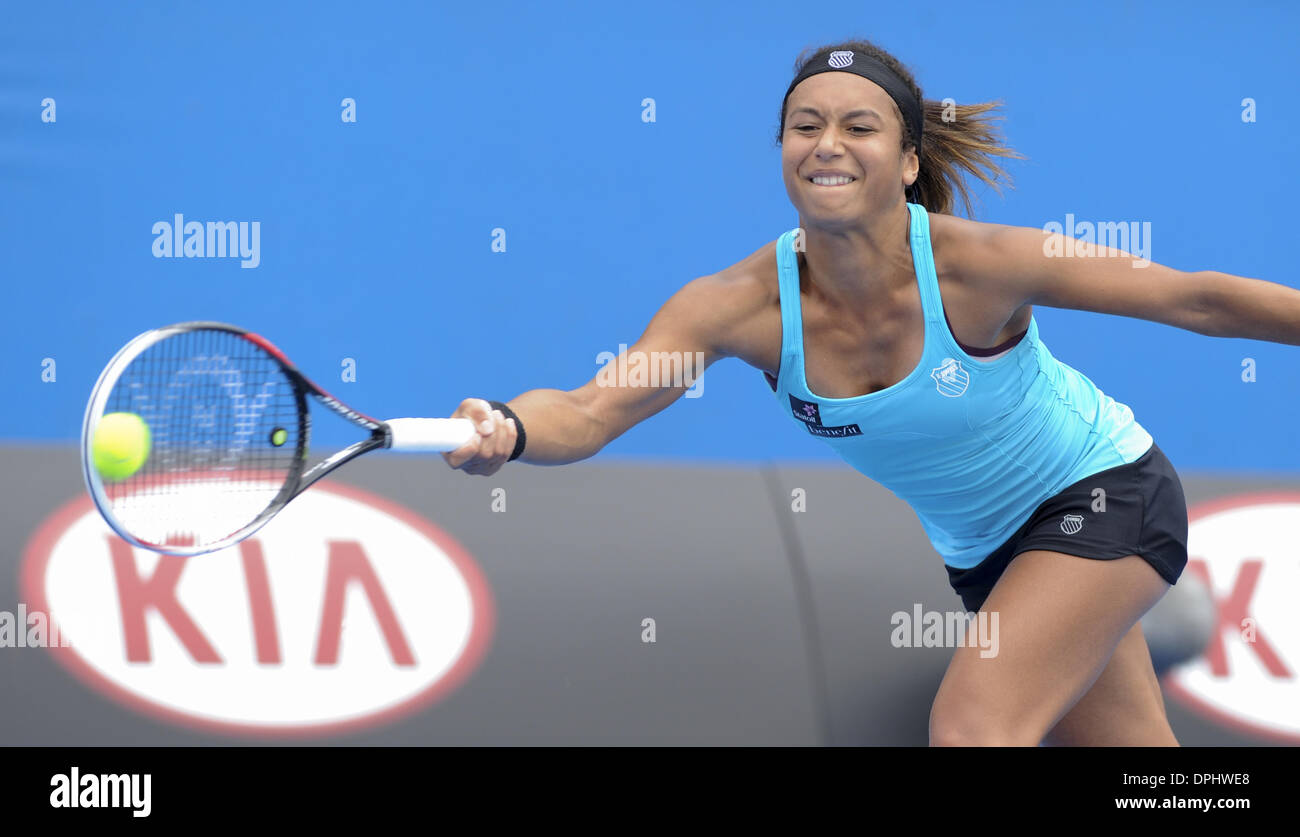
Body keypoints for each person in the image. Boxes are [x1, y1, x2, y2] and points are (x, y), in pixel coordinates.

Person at [441, 38, 1280, 746]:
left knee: (972, 726)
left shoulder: (980, 266)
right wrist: (508, 426)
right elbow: (590, 410)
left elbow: (1194, 296)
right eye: (804, 126)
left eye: (858, 126)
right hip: (988, 556)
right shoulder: (735, 308)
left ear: (910, 160)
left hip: (1108, 493)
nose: (827, 143)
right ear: (782, 152)